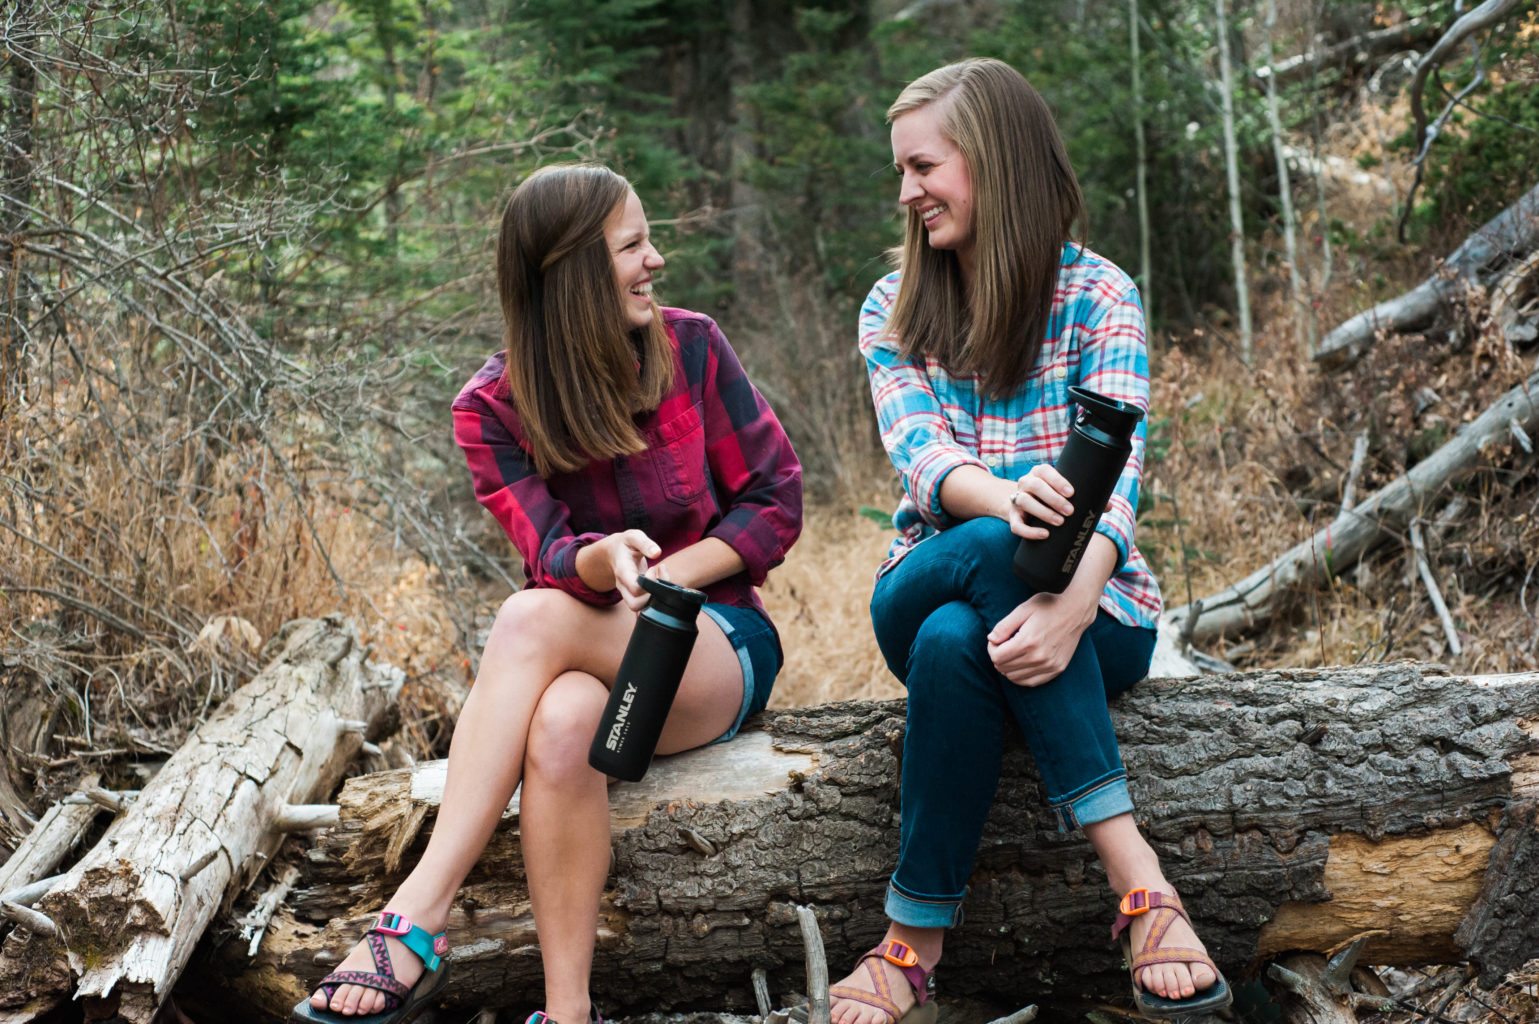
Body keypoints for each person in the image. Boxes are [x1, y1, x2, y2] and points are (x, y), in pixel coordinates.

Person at [292, 164, 803, 1024]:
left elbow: (775, 499)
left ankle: (416, 915)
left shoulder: (695, 346)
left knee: (528, 617)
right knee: (563, 720)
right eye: (633, 245)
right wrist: (600, 564)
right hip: (599, 660)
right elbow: (550, 550)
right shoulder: (491, 407)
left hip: (715, 648)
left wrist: (673, 575)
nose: (656, 259)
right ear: (571, 273)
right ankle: (569, 1013)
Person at [831, 59, 1229, 1024]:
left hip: (1099, 609)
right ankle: (1138, 882)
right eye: (900, 172)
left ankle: (910, 947)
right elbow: (923, 462)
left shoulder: (1101, 296)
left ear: (994, 160)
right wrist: (1007, 503)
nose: (906, 192)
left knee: (952, 647)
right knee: (960, 575)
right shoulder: (892, 305)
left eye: (923, 165)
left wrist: (1075, 598)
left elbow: (1120, 475)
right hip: (925, 574)